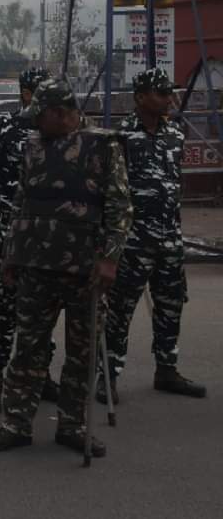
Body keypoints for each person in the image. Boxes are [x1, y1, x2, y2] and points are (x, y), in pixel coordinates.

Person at [0, 79, 131, 458]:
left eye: (39, 117)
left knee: (81, 354)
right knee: (28, 349)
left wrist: (110, 258)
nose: (33, 124)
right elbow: (21, 203)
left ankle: (73, 426)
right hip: (36, 267)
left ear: (60, 114)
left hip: (85, 270)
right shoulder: (33, 147)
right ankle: (16, 423)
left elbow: (120, 207)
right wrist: (11, 255)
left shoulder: (103, 147)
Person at [103, 67, 206, 402]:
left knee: (170, 306)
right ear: (140, 97)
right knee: (120, 311)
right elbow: (111, 194)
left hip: (169, 240)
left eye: (168, 92)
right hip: (133, 242)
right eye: (161, 93)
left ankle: (167, 369)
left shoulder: (175, 135)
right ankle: (108, 376)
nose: (168, 99)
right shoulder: (121, 136)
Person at [0, 68, 60, 414]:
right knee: (5, 309)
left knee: (46, 311)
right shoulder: (5, 128)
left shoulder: (59, 129)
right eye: (39, 91)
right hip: (13, 238)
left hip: (52, 240)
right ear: (26, 93)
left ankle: (40, 375)